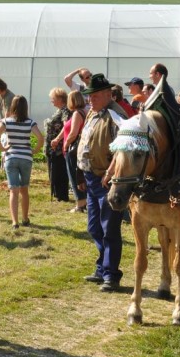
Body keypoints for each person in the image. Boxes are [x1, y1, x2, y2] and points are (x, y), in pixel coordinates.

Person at [76, 74, 124, 292]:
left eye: (94, 96)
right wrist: (81, 173)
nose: (90, 100)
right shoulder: (93, 113)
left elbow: (122, 150)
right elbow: (85, 143)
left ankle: (111, 275)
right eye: (89, 96)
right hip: (91, 177)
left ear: (107, 94)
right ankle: (102, 267)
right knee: (94, 226)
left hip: (107, 181)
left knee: (109, 228)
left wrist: (110, 172)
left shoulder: (116, 115)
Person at [0, 96, 44, 229]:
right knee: (24, 190)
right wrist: (35, 150)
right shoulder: (30, 122)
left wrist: (3, 148)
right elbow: (40, 138)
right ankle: (25, 219)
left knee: (13, 191)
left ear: (12, 106)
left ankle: (15, 222)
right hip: (26, 157)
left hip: (11, 157)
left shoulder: (6, 121)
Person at [51, 89, 87, 213]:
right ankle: (83, 202)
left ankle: (80, 204)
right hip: (78, 148)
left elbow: (73, 133)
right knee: (79, 176)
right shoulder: (84, 111)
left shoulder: (77, 113)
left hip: (73, 149)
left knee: (74, 176)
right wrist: (58, 139)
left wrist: (66, 145)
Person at [43, 87, 72, 203]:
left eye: (53, 98)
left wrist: (57, 139)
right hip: (53, 148)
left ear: (60, 98)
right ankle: (57, 194)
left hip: (58, 148)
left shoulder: (65, 111)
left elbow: (66, 127)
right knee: (54, 171)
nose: (51, 100)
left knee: (59, 172)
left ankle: (62, 195)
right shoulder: (59, 111)